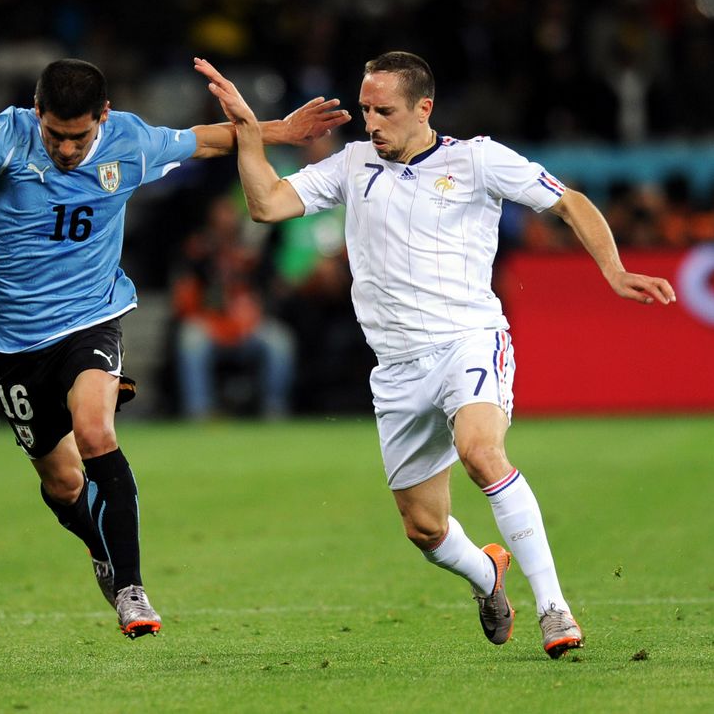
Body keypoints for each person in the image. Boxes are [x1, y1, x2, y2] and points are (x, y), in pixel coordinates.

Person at [195, 51, 677, 658]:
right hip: (396, 368)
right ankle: (486, 575)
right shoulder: (353, 163)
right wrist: (246, 128)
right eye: (365, 108)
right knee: (424, 529)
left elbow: (569, 202)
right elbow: (266, 204)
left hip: (467, 340)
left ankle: (554, 606)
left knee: (481, 452)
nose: (371, 122)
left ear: (424, 108)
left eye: (384, 111)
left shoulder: (476, 159)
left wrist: (614, 269)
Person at [0, 58, 348, 639]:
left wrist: (280, 131)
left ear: (102, 118)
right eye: (54, 135)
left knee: (97, 433)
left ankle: (131, 589)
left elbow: (206, 142)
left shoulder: (129, 140)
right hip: (12, 337)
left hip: (93, 315)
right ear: (38, 115)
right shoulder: (5, 138)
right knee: (62, 484)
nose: (64, 148)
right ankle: (104, 549)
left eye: (78, 136)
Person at [172, 193, 295, 419]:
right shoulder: (198, 252)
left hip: (248, 327)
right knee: (191, 339)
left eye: (230, 213)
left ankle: (274, 409)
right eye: (221, 213)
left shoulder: (252, 252)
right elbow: (185, 298)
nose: (227, 220)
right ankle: (199, 412)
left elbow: (272, 292)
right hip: (211, 325)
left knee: (279, 341)